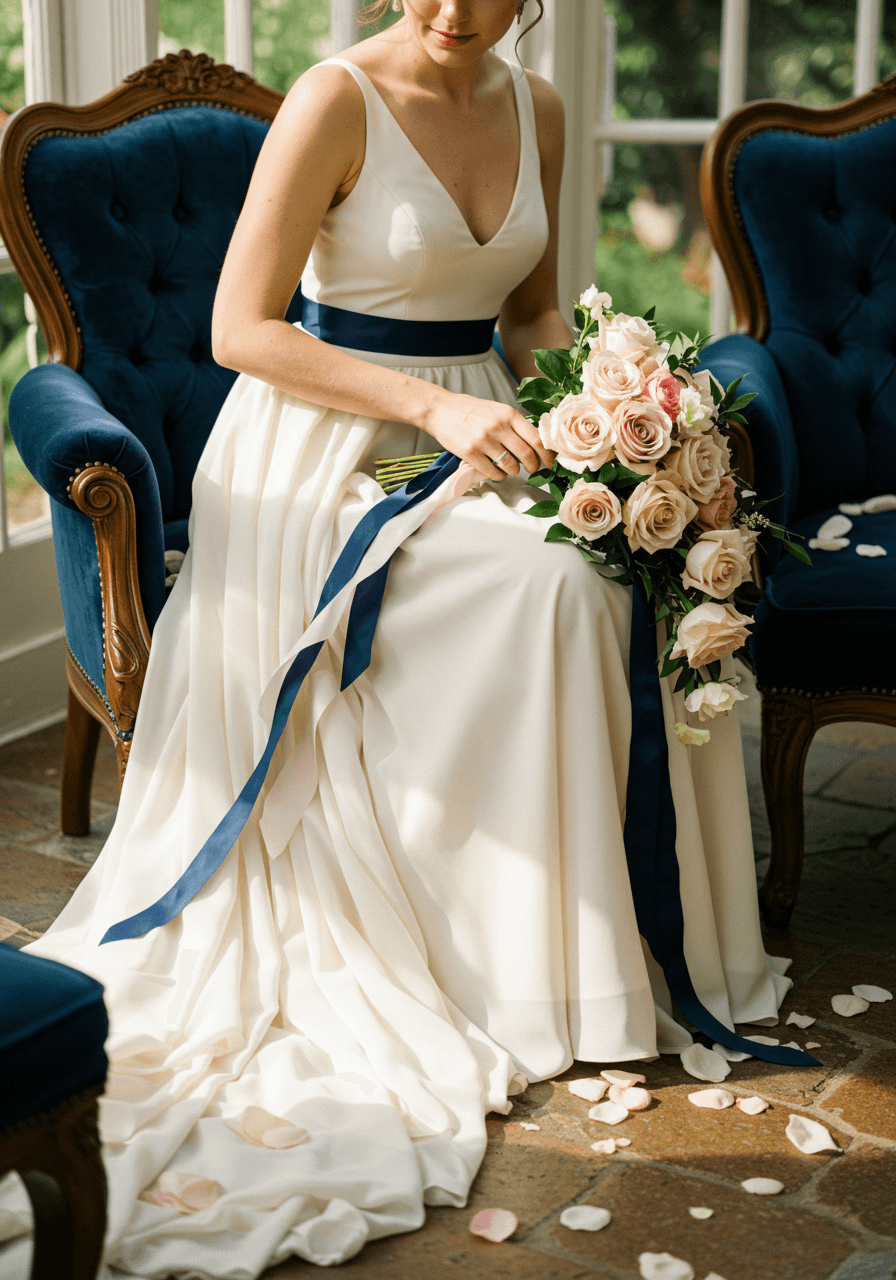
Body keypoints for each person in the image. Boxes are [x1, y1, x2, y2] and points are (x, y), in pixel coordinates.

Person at [1, 2, 792, 1275]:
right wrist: (428, 402)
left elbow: (529, 316)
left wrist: (613, 410)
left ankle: (598, 951)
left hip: (478, 436)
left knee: (616, 565)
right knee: (555, 589)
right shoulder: (332, 98)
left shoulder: (535, 107)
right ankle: (514, 968)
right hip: (324, 456)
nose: (447, 12)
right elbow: (237, 331)